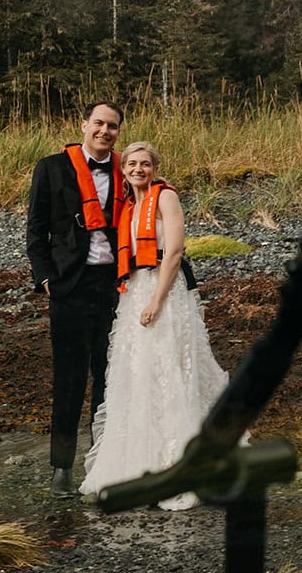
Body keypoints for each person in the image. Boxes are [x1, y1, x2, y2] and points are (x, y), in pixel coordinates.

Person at [79, 140, 232, 510]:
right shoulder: (128, 206)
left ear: (155, 167)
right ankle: (136, 464)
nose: (138, 169)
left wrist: (157, 300)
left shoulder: (166, 198)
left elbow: (176, 252)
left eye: (145, 164)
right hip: (135, 292)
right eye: (131, 163)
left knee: (172, 367)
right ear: (123, 168)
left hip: (164, 291)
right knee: (136, 374)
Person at [26, 100, 126, 497]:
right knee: (68, 380)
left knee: (109, 378)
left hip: (115, 287)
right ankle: (61, 469)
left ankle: (101, 462)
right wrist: (45, 279)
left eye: (113, 126)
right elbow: (36, 232)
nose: (105, 131)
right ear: (84, 124)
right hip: (69, 286)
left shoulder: (125, 168)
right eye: (99, 123)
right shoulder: (51, 168)